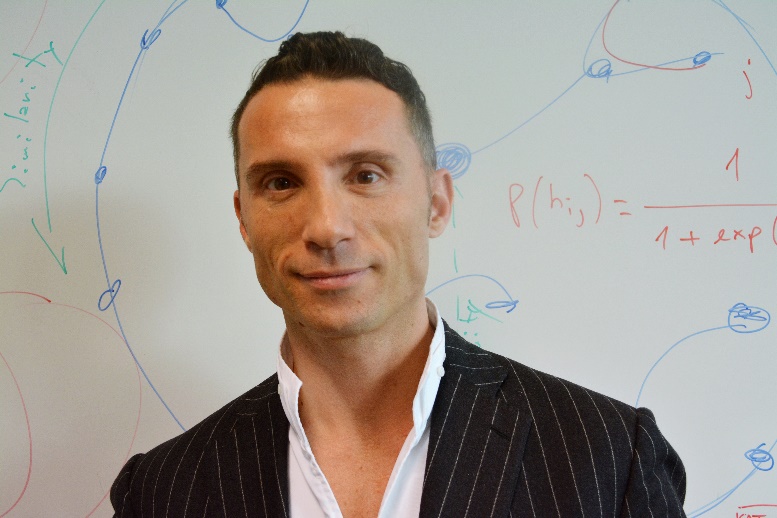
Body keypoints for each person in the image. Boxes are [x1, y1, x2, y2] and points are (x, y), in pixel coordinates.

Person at [111, 31, 686, 517]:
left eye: (365, 175)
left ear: (436, 203)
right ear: (244, 220)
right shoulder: (160, 492)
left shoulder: (609, 456)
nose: (327, 228)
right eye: (281, 183)